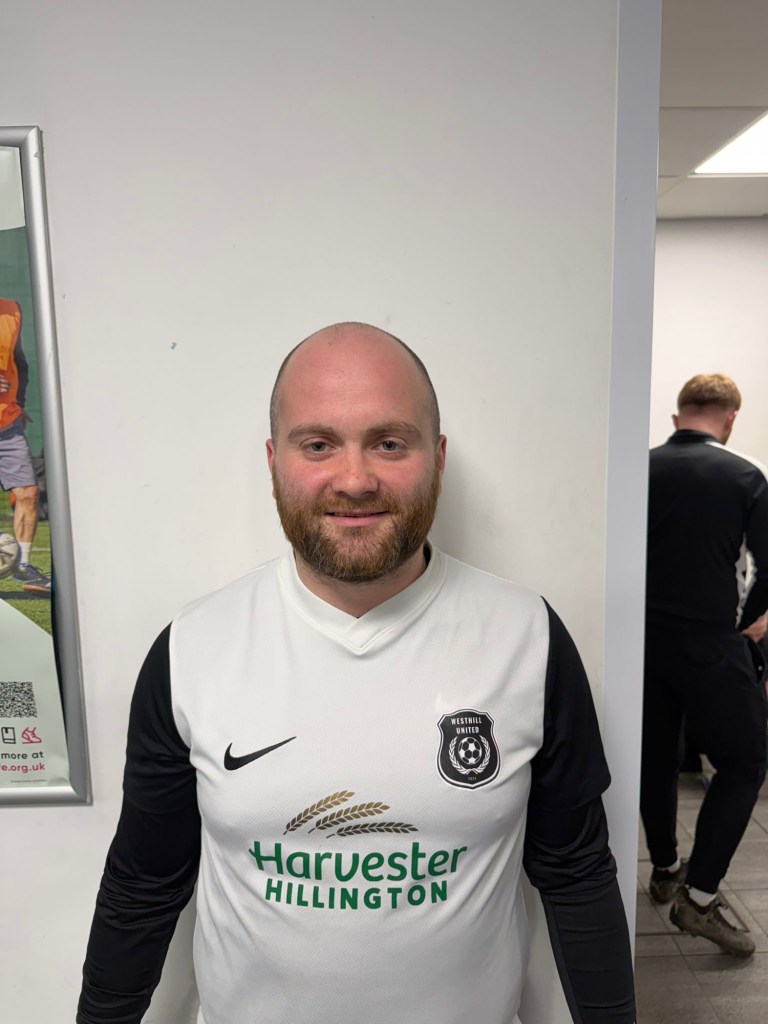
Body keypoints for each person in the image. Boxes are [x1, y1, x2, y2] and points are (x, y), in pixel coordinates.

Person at [77, 322, 634, 1024]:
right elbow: (144, 884)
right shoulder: (193, 647)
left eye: (389, 443)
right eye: (318, 444)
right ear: (274, 461)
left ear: (437, 458)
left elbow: (576, 872)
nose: (354, 479)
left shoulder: (527, 636)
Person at [641, 373, 768, 957]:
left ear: (677, 418)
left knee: (656, 758)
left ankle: (665, 867)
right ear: (731, 418)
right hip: (711, 641)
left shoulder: (641, 467)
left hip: (643, 638)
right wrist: (749, 622)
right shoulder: (746, 473)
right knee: (744, 762)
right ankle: (698, 898)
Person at [0, 297, 50, 594]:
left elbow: (19, 363)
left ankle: (23, 567)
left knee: (28, 493)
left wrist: (19, 404)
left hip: (6, 423)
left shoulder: (11, 311)